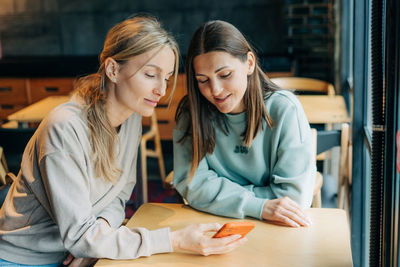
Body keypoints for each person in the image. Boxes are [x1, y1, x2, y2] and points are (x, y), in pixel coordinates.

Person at [0, 16, 246, 267]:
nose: (161, 90)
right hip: (23, 258)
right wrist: (175, 240)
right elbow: (81, 236)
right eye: (151, 74)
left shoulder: (131, 119)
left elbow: (118, 198)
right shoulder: (64, 128)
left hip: (73, 253)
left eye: (167, 78)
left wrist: (98, 238)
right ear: (113, 69)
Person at [173, 20, 315, 228]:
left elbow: (293, 200)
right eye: (203, 80)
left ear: (249, 63)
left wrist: (218, 196)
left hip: (275, 227)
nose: (215, 90)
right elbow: (193, 185)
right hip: (215, 224)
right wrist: (260, 206)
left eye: (225, 75)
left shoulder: (285, 110)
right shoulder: (190, 112)